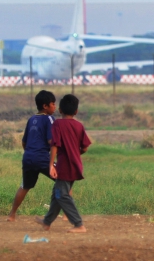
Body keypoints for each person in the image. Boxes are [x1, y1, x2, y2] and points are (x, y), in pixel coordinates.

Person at [36, 94, 91, 233]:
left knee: (62, 195)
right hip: (76, 164)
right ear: (76, 111)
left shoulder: (57, 124)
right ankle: (47, 222)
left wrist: (50, 165)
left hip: (64, 165)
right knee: (57, 193)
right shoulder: (79, 125)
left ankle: (79, 224)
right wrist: (75, 153)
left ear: (60, 110)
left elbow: (55, 145)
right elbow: (84, 147)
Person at [7, 90, 56, 222]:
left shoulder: (31, 119)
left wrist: (30, 153)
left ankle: (12, 214)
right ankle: (69, 214)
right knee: (64, 178)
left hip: (28, 157)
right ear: (45, 106)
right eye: (53, 104)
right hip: (42, 158)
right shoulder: (50, 119)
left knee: (25, 186)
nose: (55, 107)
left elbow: (24, 142)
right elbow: (51, 141)